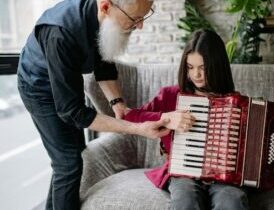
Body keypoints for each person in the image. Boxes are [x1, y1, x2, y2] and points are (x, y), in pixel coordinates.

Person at [17, 0, 170, 210]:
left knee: (73, 155)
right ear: (106, 7)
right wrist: (136, 129)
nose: (140, 25)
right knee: (68, 164)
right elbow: (74, 113)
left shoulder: (104, 19)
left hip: (64, 84)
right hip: (38, 88)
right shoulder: (60, 33)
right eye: (135, 19)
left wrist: (118, 104)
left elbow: (104, 65)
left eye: (144, 16)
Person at [123, 29, 249, 210]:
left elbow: (248, 143)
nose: (195, 74)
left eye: (203, 68)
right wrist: (166, 117)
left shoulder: (234, 102)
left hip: (223, 175)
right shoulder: (171, 95)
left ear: (217, 66)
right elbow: (132, 117)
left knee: (231, 201)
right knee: (185, 200)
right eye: (190, 67)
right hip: (183, 172)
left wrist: (272, 126)